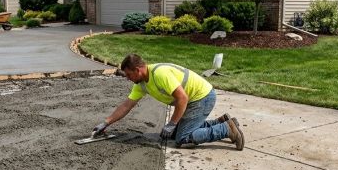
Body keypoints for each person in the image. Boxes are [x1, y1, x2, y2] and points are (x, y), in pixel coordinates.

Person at [93, 54, 244, 150]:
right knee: (173, 135)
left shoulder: (159, 74)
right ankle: (222, 121)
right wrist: (106, 123)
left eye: (129, 74)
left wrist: (172, 124)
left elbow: (182, 98)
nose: (127, 78)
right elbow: (127, 105)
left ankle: (226, 129)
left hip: (202, 97)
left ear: (138, 70)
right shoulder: (142, 83)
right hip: (192, 100)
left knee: (182, 139)